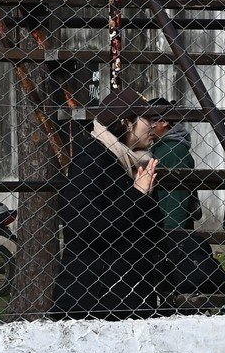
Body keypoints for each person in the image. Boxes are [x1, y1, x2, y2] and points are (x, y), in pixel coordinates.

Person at [51, 87, 169, 319]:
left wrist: (144, 197)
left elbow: (153, 230)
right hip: (92, 299)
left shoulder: (135, 163)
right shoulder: (91, 160)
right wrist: (136, 195)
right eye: (147, 119)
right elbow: (86, 228)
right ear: (126, 122)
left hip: (131, 293)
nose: (154, 126)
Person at [145, 97, 199, 231]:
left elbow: (177, 199)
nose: (147, 126)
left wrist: (171, 234)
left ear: (164, 121)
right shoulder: (162, 148)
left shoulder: (174, 151)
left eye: (150, 120)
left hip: (169, 232)